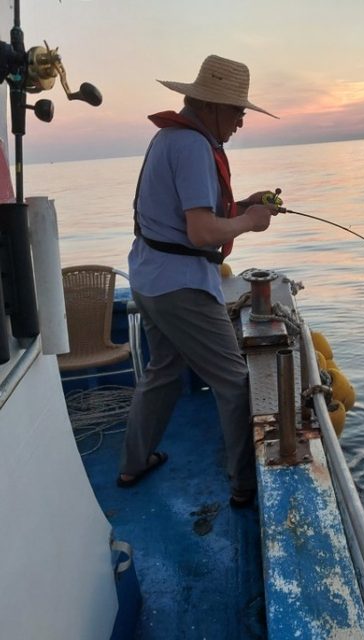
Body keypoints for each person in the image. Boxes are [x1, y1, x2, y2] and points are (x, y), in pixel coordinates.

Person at [117, 54, 279, 507]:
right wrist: (249, 221)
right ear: (211, 106)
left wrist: (243, 204)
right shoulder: (191, 146)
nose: (241, 122)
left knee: (164, 371)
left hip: (148, 278)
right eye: (238, 111)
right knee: (234, 382)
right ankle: (244, 484)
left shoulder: (169, 137)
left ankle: (134, 463)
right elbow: (201, 232)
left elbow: (194, 215)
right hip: (179, 286)